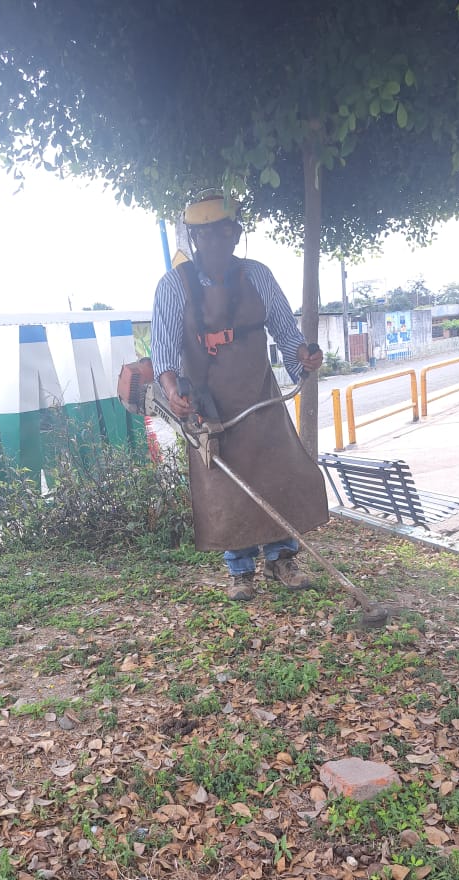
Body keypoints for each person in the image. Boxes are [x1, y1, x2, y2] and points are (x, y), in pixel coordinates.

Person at [150, 191, 329, 601]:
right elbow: (164, 350)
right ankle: (240, 571)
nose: (214, 241)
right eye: (204, 234)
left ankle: (282, 559)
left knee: (276, 475)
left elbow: (286, 332)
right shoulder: (173, 285)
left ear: (236, 233)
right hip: (209, 407)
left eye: (222, 232)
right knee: (226, 486)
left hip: (261, 399)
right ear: (194, 238)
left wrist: (303, 356)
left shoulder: (258, 275)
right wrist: (173, 390)